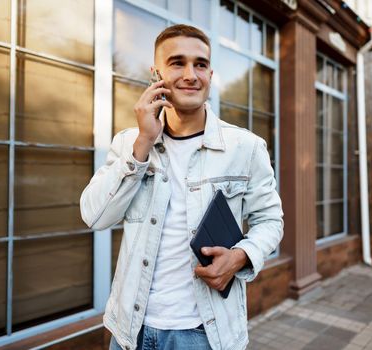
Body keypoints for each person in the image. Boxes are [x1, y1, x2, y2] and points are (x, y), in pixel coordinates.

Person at [80, 24, 283, 350]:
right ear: (155, 73)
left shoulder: (245, 147)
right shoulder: (128, 143)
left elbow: (270, 221)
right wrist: (143, 142)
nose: (191, 74)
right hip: (131, 331)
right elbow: (95, 215)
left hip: (203, 334)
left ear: (210, 73)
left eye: (200, 64)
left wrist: (241, 256)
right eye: (177, 63)